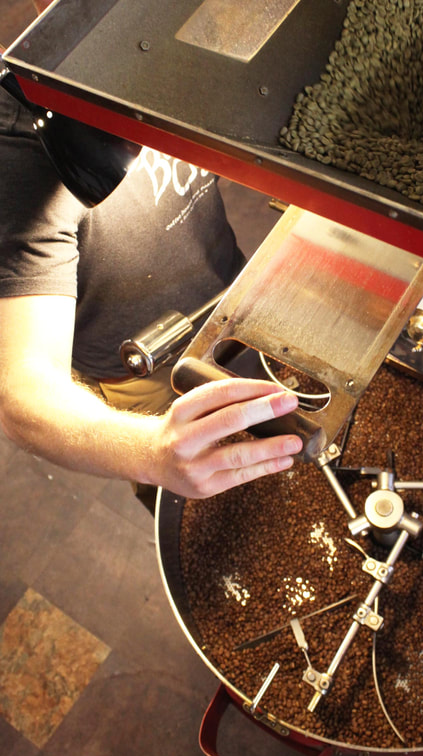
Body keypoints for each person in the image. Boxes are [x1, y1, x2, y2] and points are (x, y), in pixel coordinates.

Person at [0, 2, 303, 503]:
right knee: (214, 492)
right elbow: (25, 396)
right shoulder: (18, 153)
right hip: (147, 379)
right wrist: (152, 451)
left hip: (239, 303)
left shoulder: (170, 36)